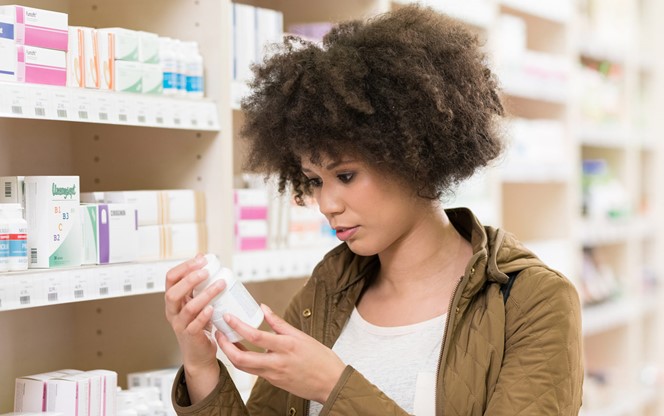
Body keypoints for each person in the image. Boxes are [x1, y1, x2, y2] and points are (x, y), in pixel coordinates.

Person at [164, 4, 583, 415]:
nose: (327, 204)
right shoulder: (326, 292)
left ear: (412, 155)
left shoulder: (533, 300)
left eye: (345, 176)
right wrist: (201, 367)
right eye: (314, 181)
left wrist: (333, 386)